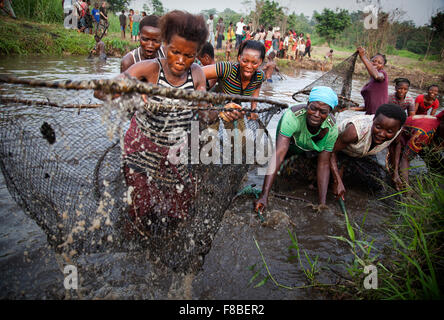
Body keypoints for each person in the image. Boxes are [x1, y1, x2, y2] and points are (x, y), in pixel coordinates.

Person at [108, 11, 216, 225]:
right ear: (164, 44)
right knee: (140, 209)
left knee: (180, 208)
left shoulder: (196, 73)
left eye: (189, 55)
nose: (180, 61)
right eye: (175, 52)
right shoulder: (149, 68)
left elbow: (204, 109)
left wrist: (220, 110)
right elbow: (102, 92)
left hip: (175, 149)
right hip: (141, 146)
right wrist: (133, 90)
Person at [255, 86, 339, 211]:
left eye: (323, 112)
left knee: (311, 166)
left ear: (329, 112)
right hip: (292, 141)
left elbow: (324, 164)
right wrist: (264, 196)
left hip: (310, 146)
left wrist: (322, 203)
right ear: (307, 105)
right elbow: (279, 154)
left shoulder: (332, 129)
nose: (316, 115)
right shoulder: (292, 116)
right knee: (282, 162)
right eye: (313, 108)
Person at [330, 104, 406, 199]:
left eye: (389, 132)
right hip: (339, 151)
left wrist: (395, 173)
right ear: (373, 120)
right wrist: (337, 180)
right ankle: (341, 168)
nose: (381, 134)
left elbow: (396, 145)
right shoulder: (355, 131)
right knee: (328, 182)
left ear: (398, 130)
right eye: (378, 127)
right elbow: (330, 151)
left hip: (361, 154)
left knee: (377, 184)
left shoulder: (397, 130)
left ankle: (345, 169)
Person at [203, 40, 266, 126]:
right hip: (214, 104)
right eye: (245, 61)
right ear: (239, 58)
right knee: (209, 135)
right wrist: (205, 103)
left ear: (260, 62)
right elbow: (196, 74)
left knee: (240, 137)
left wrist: (253, 109)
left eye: (254, 63)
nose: (249, 66)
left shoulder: (259, 76)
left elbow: (257, 88)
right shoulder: (227, 69)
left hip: (234, 108)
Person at [391, 110, 444, 189]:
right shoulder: (424, 133)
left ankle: (431, 183)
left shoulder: (438, 129)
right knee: (396, 175)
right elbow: (405, 159)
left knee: (439, 167)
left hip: (425, 137)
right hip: (401, 137)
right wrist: (407, 188)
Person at [351, 47, 388, 115]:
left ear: (383, 66)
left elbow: (377, 76)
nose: (375, 63)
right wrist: (349, 109)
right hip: (370, 115)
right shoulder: (371, 82)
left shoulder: (382, 74)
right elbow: (368, 107)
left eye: (379, 63)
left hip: (380, 116)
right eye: (373, 61)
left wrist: (363, 57)